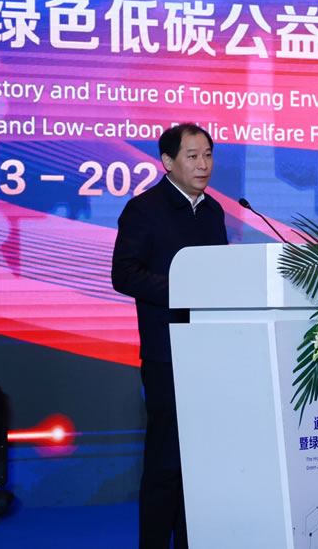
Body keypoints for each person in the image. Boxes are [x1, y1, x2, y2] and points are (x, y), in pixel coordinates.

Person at [111, 123, 228, 549]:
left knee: (200, 461)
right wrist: (183, 287)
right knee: (166, 461)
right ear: (167, 161)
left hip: (210, 351)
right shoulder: (144, 209)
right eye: (193, 156)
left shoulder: (214, 212)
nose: (203, 164)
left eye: (208, 155)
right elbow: (123, 274)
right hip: (167, 354)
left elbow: (221, 276)